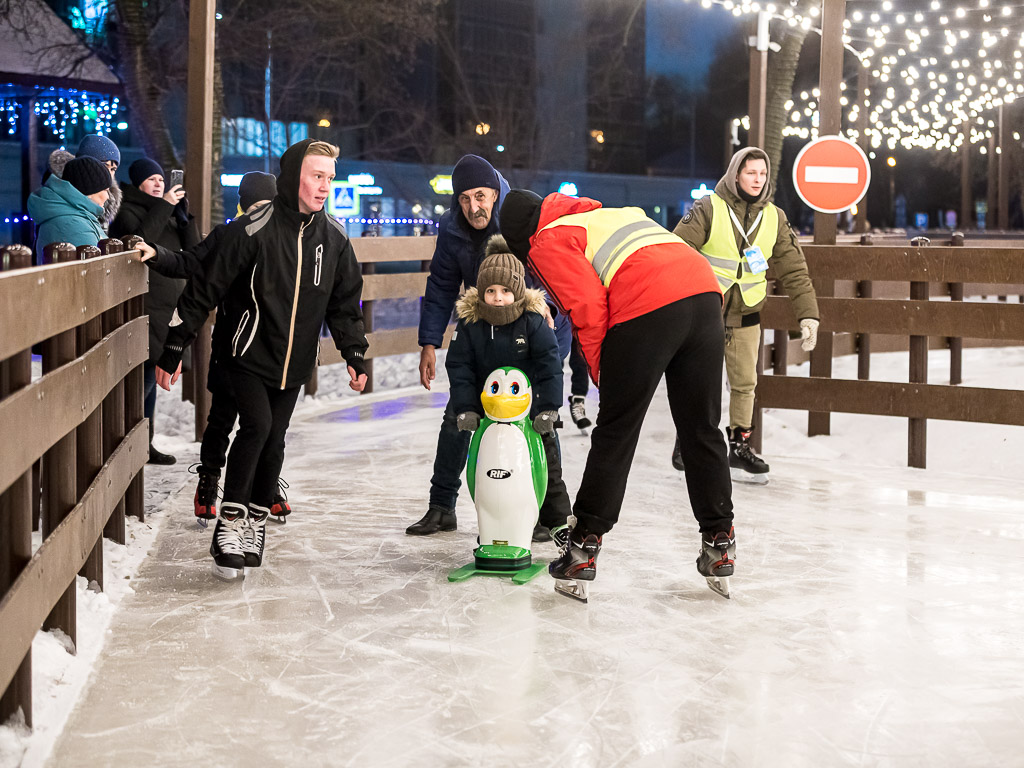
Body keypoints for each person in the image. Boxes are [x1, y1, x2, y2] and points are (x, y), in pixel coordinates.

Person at [499, 189, 737, 601]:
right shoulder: (607, 213)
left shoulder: (547, 239)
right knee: (702, 427)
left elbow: (587, 308)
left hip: (650, 304)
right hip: (703, 293)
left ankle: (583, 548)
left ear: (521, 238)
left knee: (615, 431)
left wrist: (601, 371)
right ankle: (720, 540)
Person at [153, 139, 368, 578]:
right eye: (316, 176)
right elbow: (203, 289)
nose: (324, 186)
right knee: (258, 426)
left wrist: (355, 352)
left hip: (293, 364)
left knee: (274, 438)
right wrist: (175, 346)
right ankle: (229, 524)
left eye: (329, 177)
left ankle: (254, 522)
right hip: (244, 354)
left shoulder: (335, 238)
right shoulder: (253, 228)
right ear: (293, 177)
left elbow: (344, 305)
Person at [406, 154, 572, 539]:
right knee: (459, 415)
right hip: (487, 330)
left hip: (537, 327)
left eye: (480, 196)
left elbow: (553, 266)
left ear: (495, 193)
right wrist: (430, 342)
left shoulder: (521, 214)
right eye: (464, 199)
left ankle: (547, 512)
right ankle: (441, 506)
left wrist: (544, 304)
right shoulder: (452, 228)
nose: (473, 207)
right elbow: (442, 284)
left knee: (536, 417)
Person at [137, 171, 291, 523]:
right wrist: (157, 254)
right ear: (245, 205)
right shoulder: (231, 234)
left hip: (272, 346)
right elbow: (193, 264)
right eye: (258, 206)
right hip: (232, 346)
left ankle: (263, 486)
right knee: (227, 417)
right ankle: (208, 481)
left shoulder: (285, 235)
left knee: (265, 423)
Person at [672, 147, 819, 482]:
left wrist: (808, 315)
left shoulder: (775, 217)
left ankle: (739, 445)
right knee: (699, 382)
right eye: (751, 172)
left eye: (763, 174)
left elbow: (794, 269)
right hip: (706, 311)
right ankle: (687, 441)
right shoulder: (710, 208)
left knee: (745, 384)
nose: (757, 179)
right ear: (736, 173)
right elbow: (677, 249)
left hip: (748, 313)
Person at [445, 235, 572, 536]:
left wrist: (548, 410)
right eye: (490, 291)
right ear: (481, 293)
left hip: (530, 412)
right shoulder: (471, 325)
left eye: (505, 290)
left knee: (546, 465)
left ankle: (558, 523)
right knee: (490, 466)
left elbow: (549, 366)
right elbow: (459, 367)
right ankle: (498, 521)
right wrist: (466, 408)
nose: (498, 298)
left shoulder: (532, 322)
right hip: (489, 413)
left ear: (517, 291)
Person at [111, 157, 202, 465]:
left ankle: (145, 443)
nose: (159, 183)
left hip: (170, 308)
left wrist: (184, 214)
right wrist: (164, 205)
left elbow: (195, 253)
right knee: (143, 379)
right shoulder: (127, 210)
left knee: (152, 377)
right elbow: (140, 239)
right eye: (152, 179)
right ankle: (130, 445)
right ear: (138, 184)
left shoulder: (172, 213)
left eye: (162, 179)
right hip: (146, 305)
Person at [27, 156, 111, 259]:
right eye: (105, 190)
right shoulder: (72, 224)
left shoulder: (79, 217)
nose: (107, 197)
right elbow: (102, 268)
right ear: (89, 190)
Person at [566, 338, 592, 432]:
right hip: (557, 325)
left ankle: (578, 401)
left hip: (578, 325)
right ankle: (549, 410)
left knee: (580, 357)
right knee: (554, 360)